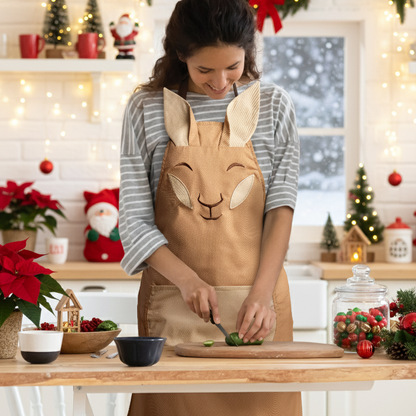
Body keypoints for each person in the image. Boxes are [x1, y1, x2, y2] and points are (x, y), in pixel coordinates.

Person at [119, 0, 301, 414]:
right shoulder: (146, 108)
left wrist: (260, 294)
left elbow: (281, 208)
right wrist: (187, 280)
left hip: (260, 309)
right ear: (180, 55)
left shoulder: (272, 106)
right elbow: (133, 220)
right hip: (174, 304)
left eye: (233, 66)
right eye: (205, 70)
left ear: (248, 52)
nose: (220, 82)